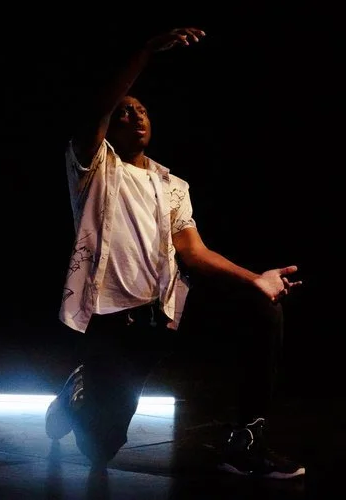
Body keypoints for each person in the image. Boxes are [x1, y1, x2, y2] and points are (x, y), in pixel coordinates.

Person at [46, 26, 306, 479]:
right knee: (100, 451)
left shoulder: (172, 185)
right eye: (124, 111)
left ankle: (244, 440)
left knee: (261, 307)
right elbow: (99, 108)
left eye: (142, 110)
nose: (134, 115)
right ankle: (78, 394)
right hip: (114, 325)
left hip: (163, 315)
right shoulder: (93, 166)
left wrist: (255, 280)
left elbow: (193, 251)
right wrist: (146, 51)